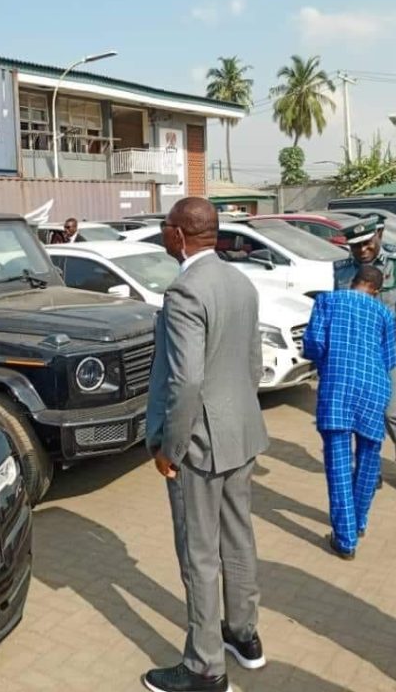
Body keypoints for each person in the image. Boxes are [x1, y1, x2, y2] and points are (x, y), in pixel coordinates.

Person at [143, 197, 267, 692]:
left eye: (164, 226)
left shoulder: (184, 292)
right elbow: (253, 363)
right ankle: (244, 635)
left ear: (178, 235)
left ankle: (204, 667)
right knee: (238, 536)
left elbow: (185, 382)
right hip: (240, 431)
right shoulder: (241, 281)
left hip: (198, 442)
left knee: (198, 553)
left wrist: (170, 447)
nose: (162, 232)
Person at [303, 265, 396, 560]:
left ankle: (344, 539)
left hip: (338, 386)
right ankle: (359, 521)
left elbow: (314, 343)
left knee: (338, 461)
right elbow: (390, 358)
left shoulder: (328, 301)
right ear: (376, 290)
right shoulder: (385, 314)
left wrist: (326, 363)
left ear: (353, 282)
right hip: (374, 387)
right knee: (369, 457)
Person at [333, 216, 396, 492]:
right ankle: (369, 467)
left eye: (367, 243)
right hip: (360, 355)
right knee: (364, 411)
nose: (362, 250)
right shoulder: (342, 270)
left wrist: (383, 341)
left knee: (391, 411)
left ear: (378, 237)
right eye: (356, 246)